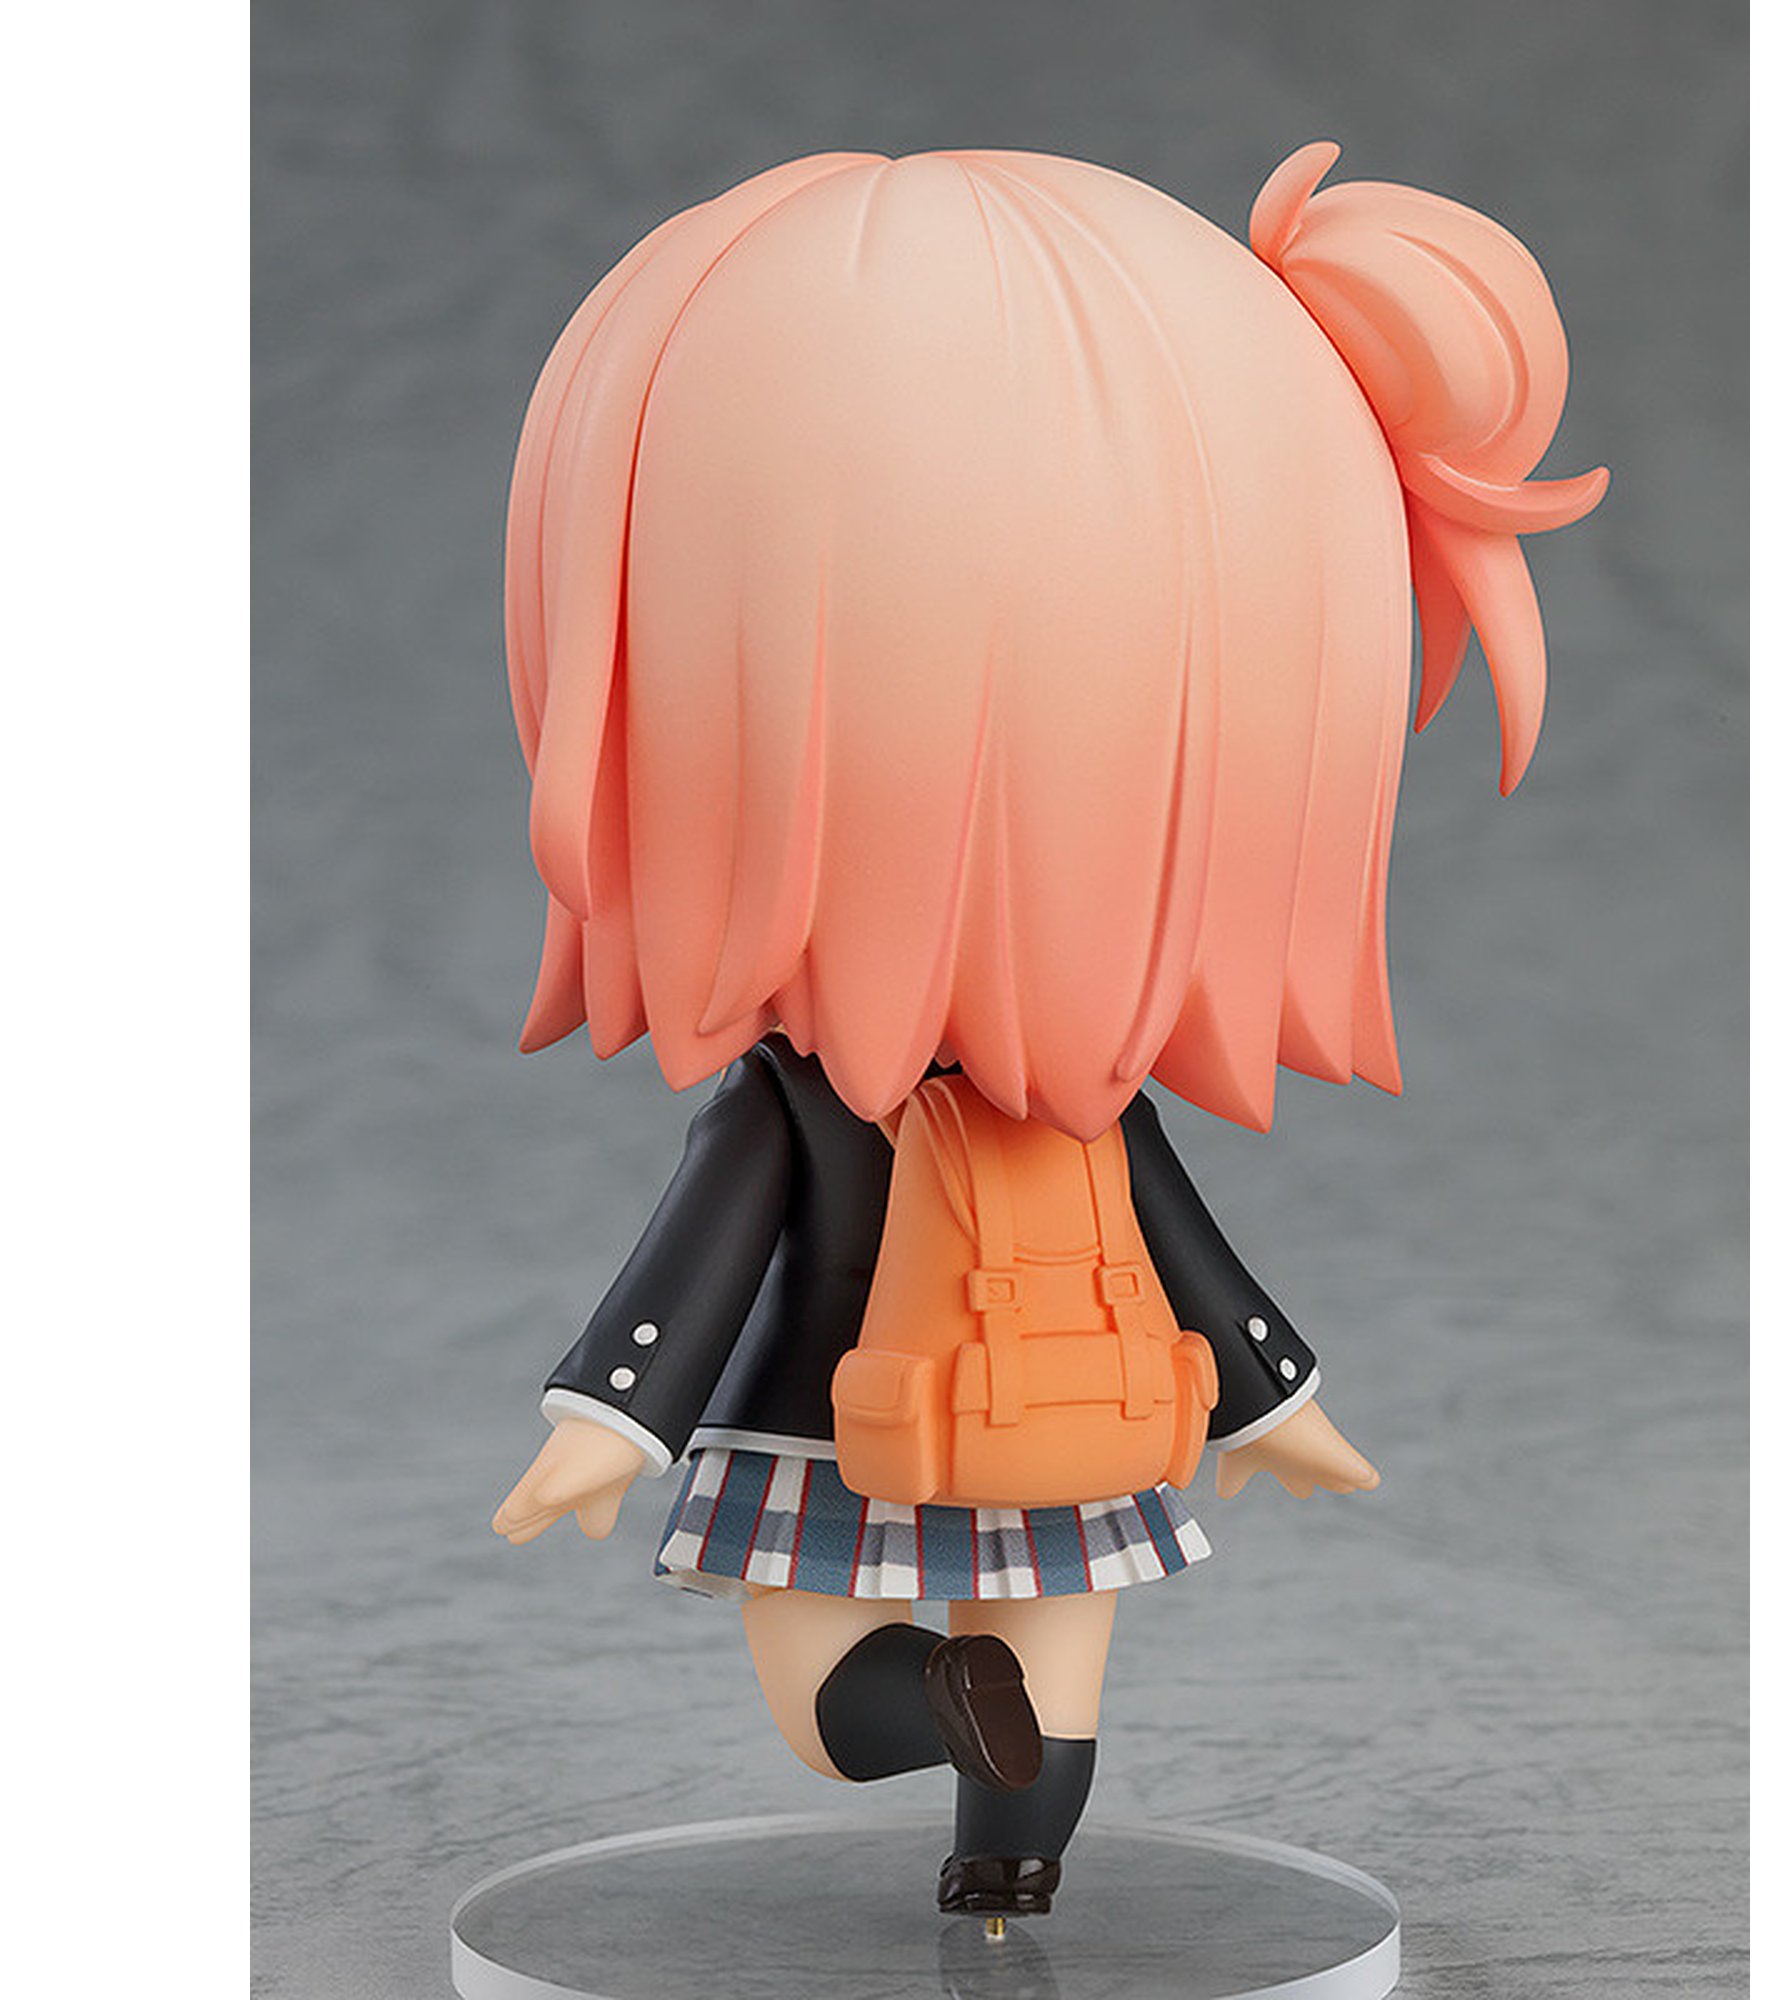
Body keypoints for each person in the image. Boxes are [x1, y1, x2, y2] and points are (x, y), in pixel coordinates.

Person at [491, 141, 1605, 1916]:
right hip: (1085, 1406)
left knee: (818, 1691)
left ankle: (948, 1707)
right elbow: (1183, 1247)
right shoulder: (1078, 1102)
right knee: (1061, 1657)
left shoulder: (803, 1100)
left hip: (831, 1412)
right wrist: (1276, 1396)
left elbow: (697, 1264)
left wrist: (608, 1423)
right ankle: (1009, 1864)